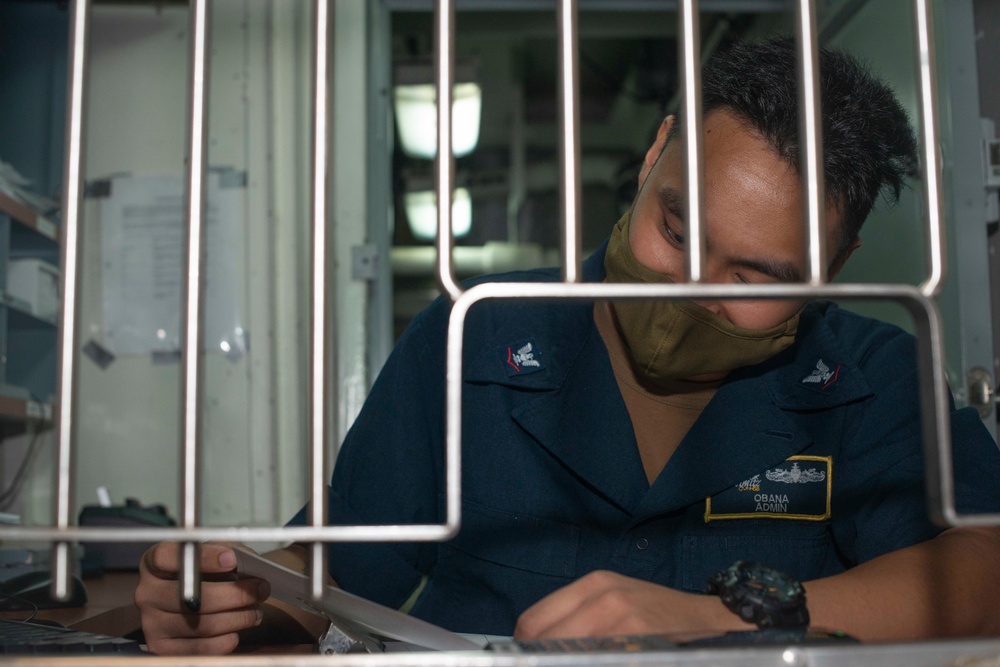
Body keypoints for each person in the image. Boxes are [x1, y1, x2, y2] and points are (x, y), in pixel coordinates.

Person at [134, 36, 1000, 655]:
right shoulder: (477, 335)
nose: (690, 293)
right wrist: (225, 598)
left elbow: (986, 565)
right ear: (657, 149)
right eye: (676, 231)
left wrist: (732, 619)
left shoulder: (871, 378)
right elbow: (331, 568)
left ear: (833, 268)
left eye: (755, 280)